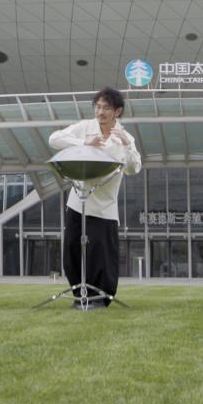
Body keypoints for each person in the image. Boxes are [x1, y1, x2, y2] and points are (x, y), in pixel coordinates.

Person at [48, 87, 141, 308]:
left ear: (117, 111)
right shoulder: (84, 128)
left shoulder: (125, 137)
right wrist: (83, 143)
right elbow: (54, 139)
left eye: (106, 108)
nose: (100, 112)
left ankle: (100, 298)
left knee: (102, 253)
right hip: (78, 200)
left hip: (105, 205)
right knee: (73, 248)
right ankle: (79, 293)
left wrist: (127, 146)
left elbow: (133, 168)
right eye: (98, 107)